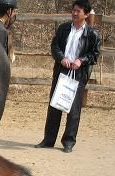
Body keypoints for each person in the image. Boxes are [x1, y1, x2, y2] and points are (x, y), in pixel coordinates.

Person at [35, 0, 100, 153]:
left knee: (74, 110)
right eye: (73, 10)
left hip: (78, 73)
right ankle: (48, 139)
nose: (74, 13)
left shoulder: (92, 34)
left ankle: (68, 142)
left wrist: (81, 60)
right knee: (54, 106)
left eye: (78, 11)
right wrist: (61, 58)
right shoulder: (63, 28)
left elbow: (94, 55)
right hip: (61, 70)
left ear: (86, 14)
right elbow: (54, 46)